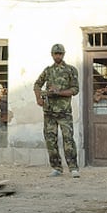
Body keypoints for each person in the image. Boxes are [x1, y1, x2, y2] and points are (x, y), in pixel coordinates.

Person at [33, 44, 80, 178]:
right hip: (49, 112)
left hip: (64, 112)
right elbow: (37, 84)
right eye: (55, 54)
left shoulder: (71, 70)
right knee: (50, 140)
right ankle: (56, 168)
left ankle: (73, 168)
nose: (57, 56)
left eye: (60, 54)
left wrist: (59, 92)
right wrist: (38, 98)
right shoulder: (48, 71)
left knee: (68, 140)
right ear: (52, 55)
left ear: (63, 54)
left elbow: (75, 89)